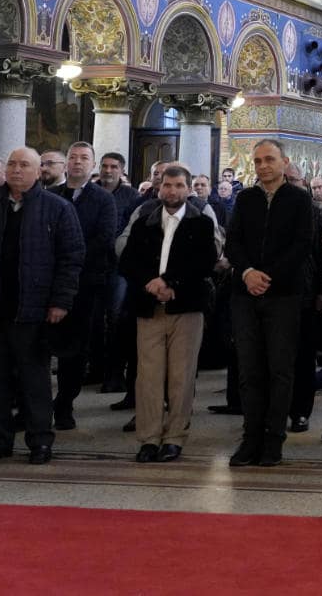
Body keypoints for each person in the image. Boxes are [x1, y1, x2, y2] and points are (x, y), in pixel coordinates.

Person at [0, 148, 84, 466]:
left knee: (34, 380)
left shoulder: (57, 208)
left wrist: (60, 302)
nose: (15, 170)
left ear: (39, 171)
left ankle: (40, 440)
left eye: (24, 165)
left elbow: (71, 258)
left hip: (34, 310)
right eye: (11, 163)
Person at [224, 140, 316, 467]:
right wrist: (248, 272)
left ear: (284, 162)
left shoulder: (299, 199)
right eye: (258, 161)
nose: (263, 166)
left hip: (284, 295)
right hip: (244, 294)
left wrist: (267, 277)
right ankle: (251, 438)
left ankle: (274, 439)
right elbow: (232, 240)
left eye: (269, 160)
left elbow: (302, 245)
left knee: (280, 369)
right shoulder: (246, 198)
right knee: (249, 370)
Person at [118, 165, 218, 463]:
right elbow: (128, 262)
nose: (171, 191)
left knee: (180, 376)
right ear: (158, 188)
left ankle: (174, 437)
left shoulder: (200, 223)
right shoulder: (144, 222)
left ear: (188, 190)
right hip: (149, 306)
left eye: (178, 186)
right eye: (167, 185)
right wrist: (151, 283)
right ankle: (149, 438)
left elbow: (204, 262)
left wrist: (171, 282)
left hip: (185, 306)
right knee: (148, 376)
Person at [46, 144, 119, 431]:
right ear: (65, 163)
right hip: (47, 282)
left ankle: (65, 402)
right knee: (40, 345)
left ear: (93, 166)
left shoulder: (102, 200)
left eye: (84, 158)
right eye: (73, 157)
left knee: (74, 348)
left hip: (84, 283)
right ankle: (33, 405)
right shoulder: (50, 196)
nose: (77, 162)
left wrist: (71, 260)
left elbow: (104, 239)